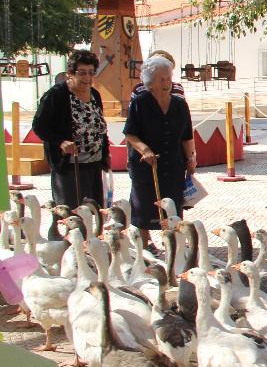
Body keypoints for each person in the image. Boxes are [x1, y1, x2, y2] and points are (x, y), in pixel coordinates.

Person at [123, 56, 197, 251]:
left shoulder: (180, 104)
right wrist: (145, 150)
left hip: (173, 164)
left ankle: (175, 241)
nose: (167, 83)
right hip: (146, 165)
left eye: (168, 78)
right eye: (161, 79)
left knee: (173, 203)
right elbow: (130, 133)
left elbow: (187, 135)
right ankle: (145, 244)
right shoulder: (140, 102)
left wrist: (191, 157)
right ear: (150, 82)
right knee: (144, 206)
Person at [32, 49, 111, 207]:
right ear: (70, 73)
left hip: (94, 164)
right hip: (69, 165)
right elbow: (39, 126)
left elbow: (100, 127)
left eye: (91, 72)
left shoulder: (95, 94)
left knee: (94, 211)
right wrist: (61, 142)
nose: (87, 78)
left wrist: (105, 153)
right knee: (73, 212)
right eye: (82, 73)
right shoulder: (57, 95)